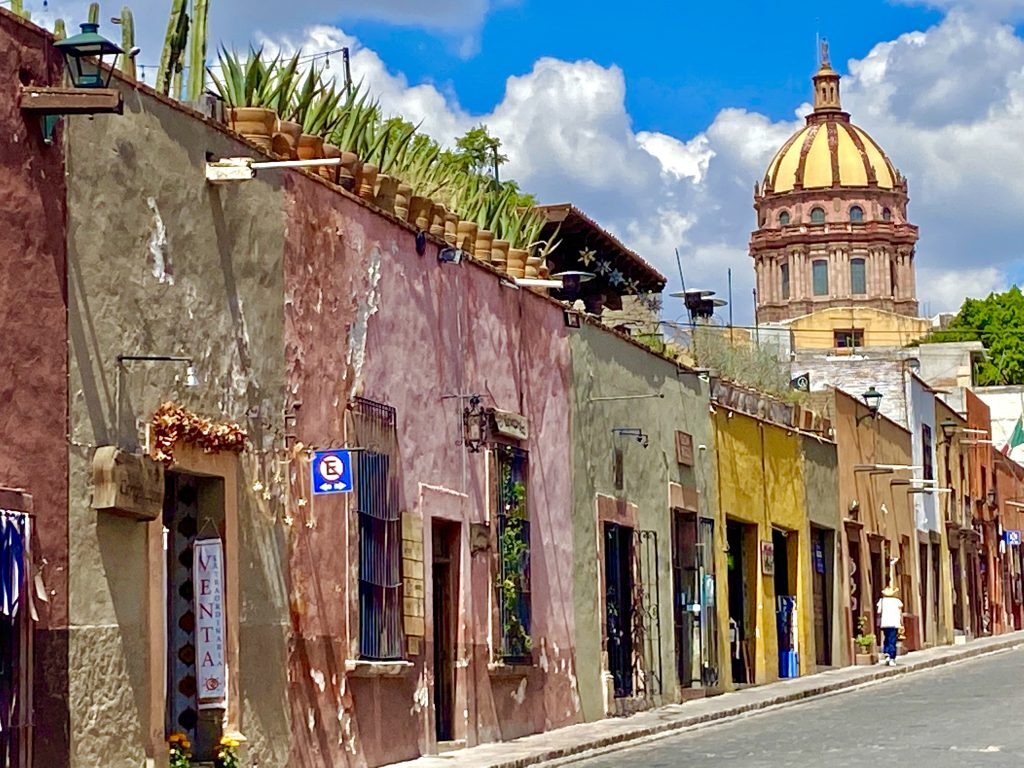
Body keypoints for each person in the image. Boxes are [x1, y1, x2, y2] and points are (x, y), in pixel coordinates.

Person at [876, 586, 904, 666]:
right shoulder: (897, 601)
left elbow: (879, 612)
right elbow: (900, 613)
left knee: (887, 638)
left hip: (885, 623)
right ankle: (892, 657)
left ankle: (886, 653)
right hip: (894, 623)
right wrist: (902, 623)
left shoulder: (881, 601)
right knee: (892, 640)